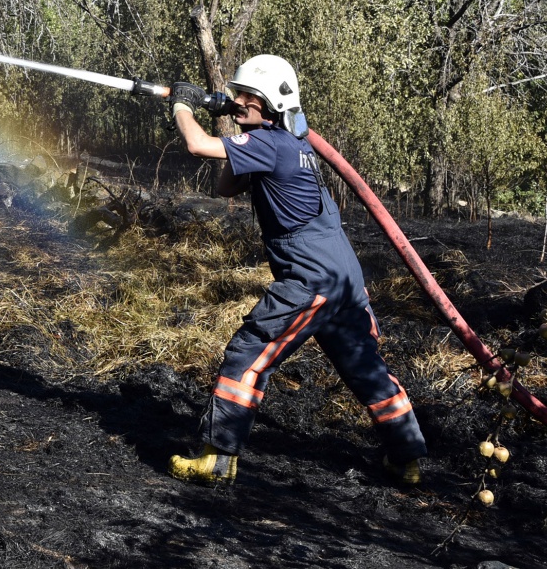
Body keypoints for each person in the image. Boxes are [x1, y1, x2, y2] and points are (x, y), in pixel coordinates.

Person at [162, 55, 428, 485]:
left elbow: (196, 146)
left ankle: (217, 457)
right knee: (367, 370)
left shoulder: (271, 144)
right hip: (344, 280)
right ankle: (407, 459)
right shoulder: (292, 146)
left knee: (248, 353)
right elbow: (226, 186)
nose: (235, 100)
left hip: (309, 279)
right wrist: (235, 127)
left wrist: (183, 105)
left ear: (266, 101)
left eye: (243, 95)